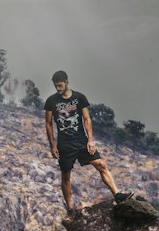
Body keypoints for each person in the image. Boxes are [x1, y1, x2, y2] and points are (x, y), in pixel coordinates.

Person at [44, 70, 120, 211]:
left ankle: (117, 194)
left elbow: (87, 119)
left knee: (101, 164)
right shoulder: (51, 101)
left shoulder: (79, 98)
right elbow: (48, 123)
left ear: (67, 82)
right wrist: (52, 145)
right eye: (56, 86)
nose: (58, 88)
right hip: (64, 143)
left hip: (81, 140)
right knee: (66, 175)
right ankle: (70, 208)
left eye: (60, 85)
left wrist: (90, 140)